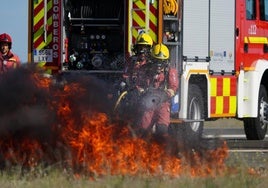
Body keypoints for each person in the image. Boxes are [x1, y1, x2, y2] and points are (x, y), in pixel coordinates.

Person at [134, 43, 179, 138]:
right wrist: (143, 93)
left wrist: (164, 95)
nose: (158, 66)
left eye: (161, 62)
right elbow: (139, 84)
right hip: (148, 104)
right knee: (143, 130)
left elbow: (173, 88)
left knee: (161, 129)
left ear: (166, 61)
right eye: (156, 61)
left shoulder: (170, 71)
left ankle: (161, 148)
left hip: (163, 104)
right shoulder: (144, 69)